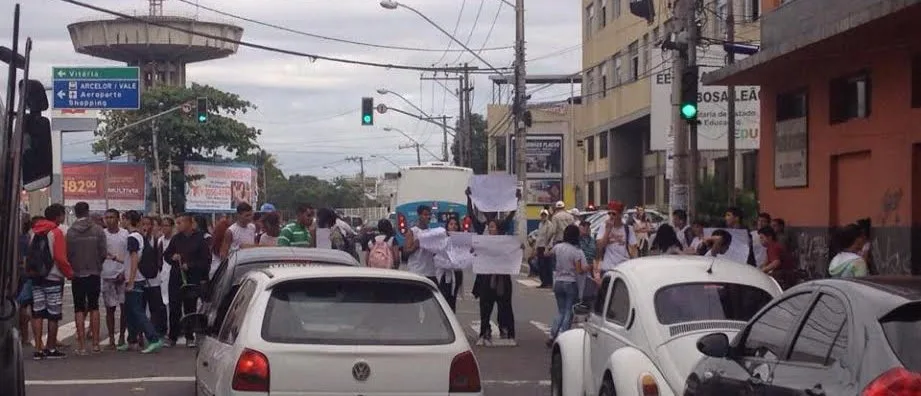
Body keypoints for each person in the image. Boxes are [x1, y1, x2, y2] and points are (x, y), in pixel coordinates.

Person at [28, 204, 74, 359]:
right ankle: (51, 348)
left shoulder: (33, 232)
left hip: (36, 278)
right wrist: (69, 273)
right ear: (58, 216)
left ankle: (38, 349)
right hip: (53, 277)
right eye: (62, 215)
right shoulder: (56, 232)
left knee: (37, 313)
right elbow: (60, 257)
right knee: (53, 314)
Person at [164, 213, 212, 347]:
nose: (178, 225)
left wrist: (190, 265)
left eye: (181, 223)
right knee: (174, 308)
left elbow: (206, 261)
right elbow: (166, 255)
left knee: (190, 307)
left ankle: (189, 336)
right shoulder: (176, 239)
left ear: (190, 223)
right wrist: (172, 257)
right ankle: (172, 336)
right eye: (177, 223)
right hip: (176, 278)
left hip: (192, 278)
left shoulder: (200, 240)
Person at [119, 210, 164, 353]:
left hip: (135, 278)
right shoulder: (140, 237)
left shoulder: (132, 237)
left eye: (123, 219)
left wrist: (131, 280)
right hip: (136, 277)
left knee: (137, 310)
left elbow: (134, 259)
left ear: (127, 220)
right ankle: (132, 340)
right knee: (131, 310)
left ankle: (153, 338)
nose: (122, 222)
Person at [65, 201, 107, 355]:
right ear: (88, 212)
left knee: (79, 308)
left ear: (76, 213)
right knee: (94, 307)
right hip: (94, 272)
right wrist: (96, 264)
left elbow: (68, 254)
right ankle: (96, 344)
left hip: (77, 274)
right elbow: (103, 253)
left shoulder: (71, 232)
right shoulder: (98, 230)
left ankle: (82, 346)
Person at [547, 225, 586, 347]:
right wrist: (588, 268)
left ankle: (552, 334)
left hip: (558, 281)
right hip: (570, 282)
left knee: (560, 311)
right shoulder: (576, 251)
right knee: (569, 311)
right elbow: (579, 270)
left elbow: (547, 253)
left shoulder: (558, 247)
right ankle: (563, 336)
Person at [101, 209, 129, 349]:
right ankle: (111, 337)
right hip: (107, 275)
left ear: (118, 219)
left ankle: (122, 335)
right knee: (109, 309)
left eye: (112, 217)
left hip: (122, 275)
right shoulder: (102, 235)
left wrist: (124, 272)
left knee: (124, 308)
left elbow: (130, 255)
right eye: (107, 218)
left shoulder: (125, 234)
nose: (109, 220)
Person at [139, 216, 168, 341]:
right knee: (140, 308)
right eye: (143, 224)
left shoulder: (157, 241)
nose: (146, 227)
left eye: (148, 224)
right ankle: (140, 334)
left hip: (154, 279)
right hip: (140, 278)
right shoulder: (139, 239)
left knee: (155, 307)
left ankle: (157, 332)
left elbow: (159, 259)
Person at [596, 201, 637, 277]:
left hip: (623, 268)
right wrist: (608, 230)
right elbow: (600, 246)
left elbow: (634, 249)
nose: (611, 216)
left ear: (620, 214)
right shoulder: (603, 227)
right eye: (609, 213)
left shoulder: (628, 229)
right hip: (608, 268)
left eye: (614, 214)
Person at [402, 205, 437, 282]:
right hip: (416, 271)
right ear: (419, 215)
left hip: (431, 272)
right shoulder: (412, 231)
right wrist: (415, 246)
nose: (428, 217)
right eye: (425, 215)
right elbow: (405, 252)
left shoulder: (432, 232)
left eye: (429, 215)